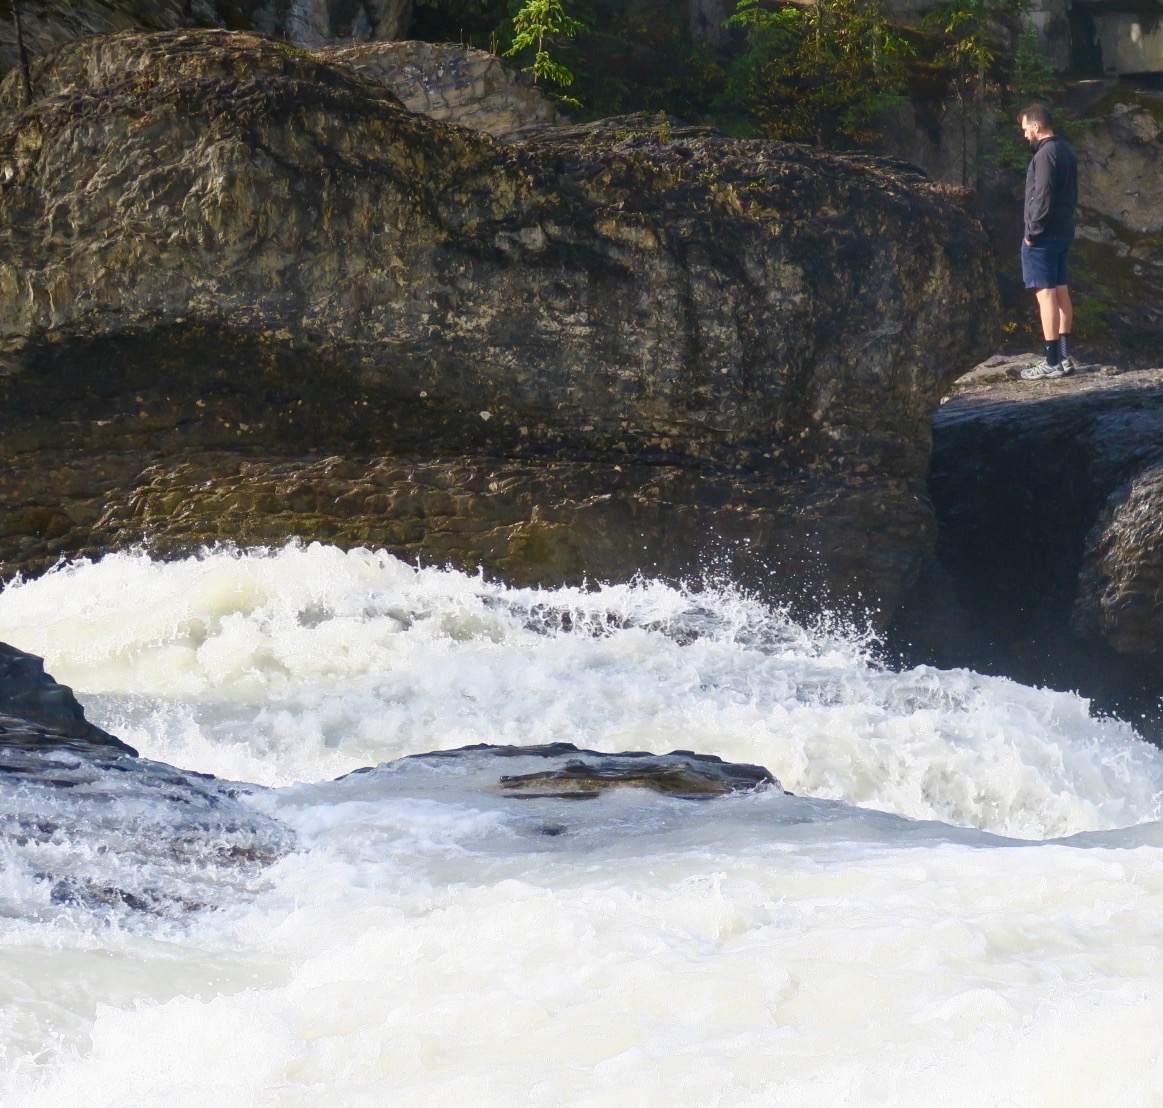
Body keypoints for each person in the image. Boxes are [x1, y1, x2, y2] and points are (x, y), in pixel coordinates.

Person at [1017, 104, 1078, 381]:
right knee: (1060, 290)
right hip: (1063, 231)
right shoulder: (1066, 151)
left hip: (1043, 236)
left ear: (1036, 126)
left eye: (1025, 128)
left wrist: (1032, 232)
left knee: (1046, 296)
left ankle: (1052, 362)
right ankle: (1064, 358)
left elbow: (1042, 196)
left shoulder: (1044, 155)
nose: (1024, 134)